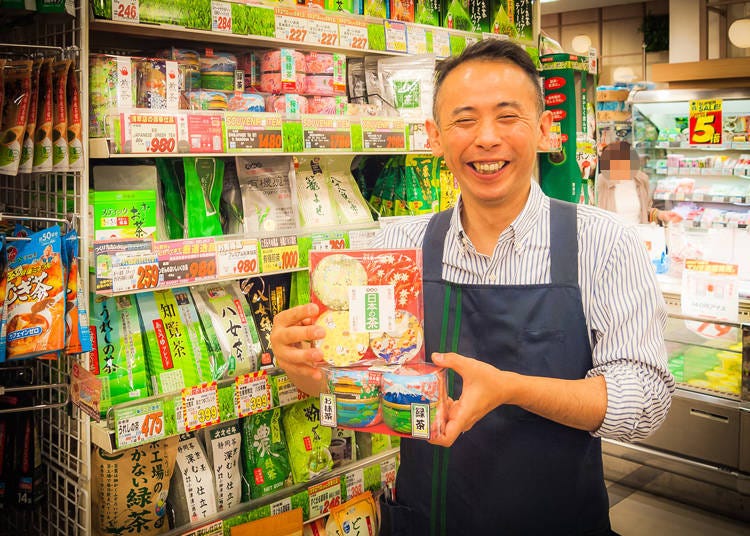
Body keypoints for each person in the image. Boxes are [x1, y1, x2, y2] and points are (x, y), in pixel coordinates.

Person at [270, 39, 675, 535]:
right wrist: (302, 364)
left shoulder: (604, 243)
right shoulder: (397, 249)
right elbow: (359, 382)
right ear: (435, 137)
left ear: (546, 130)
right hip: (429, 520)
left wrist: (512, 389)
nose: (486, 138)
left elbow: (645, 402)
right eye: (464, 121)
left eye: (508, 117)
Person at [596, 141, 683, 226]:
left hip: (638, 236)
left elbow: (645, 210)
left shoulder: (641, 180)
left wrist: (660, 214)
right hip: (611, 237)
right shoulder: (601, 182)